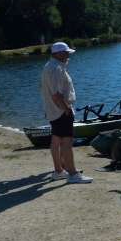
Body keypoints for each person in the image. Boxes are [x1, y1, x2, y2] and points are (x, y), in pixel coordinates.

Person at [40, 42, 93, 184]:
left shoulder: (52, 66)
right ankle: (72, 173)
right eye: (66, 52)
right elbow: (56, 95)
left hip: (54, 111)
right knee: (67, 142)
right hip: (60, 111)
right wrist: (67, 109)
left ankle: (59, 171)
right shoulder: (55, 68)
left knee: (56, 139)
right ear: (58, 53)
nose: (68, 54)